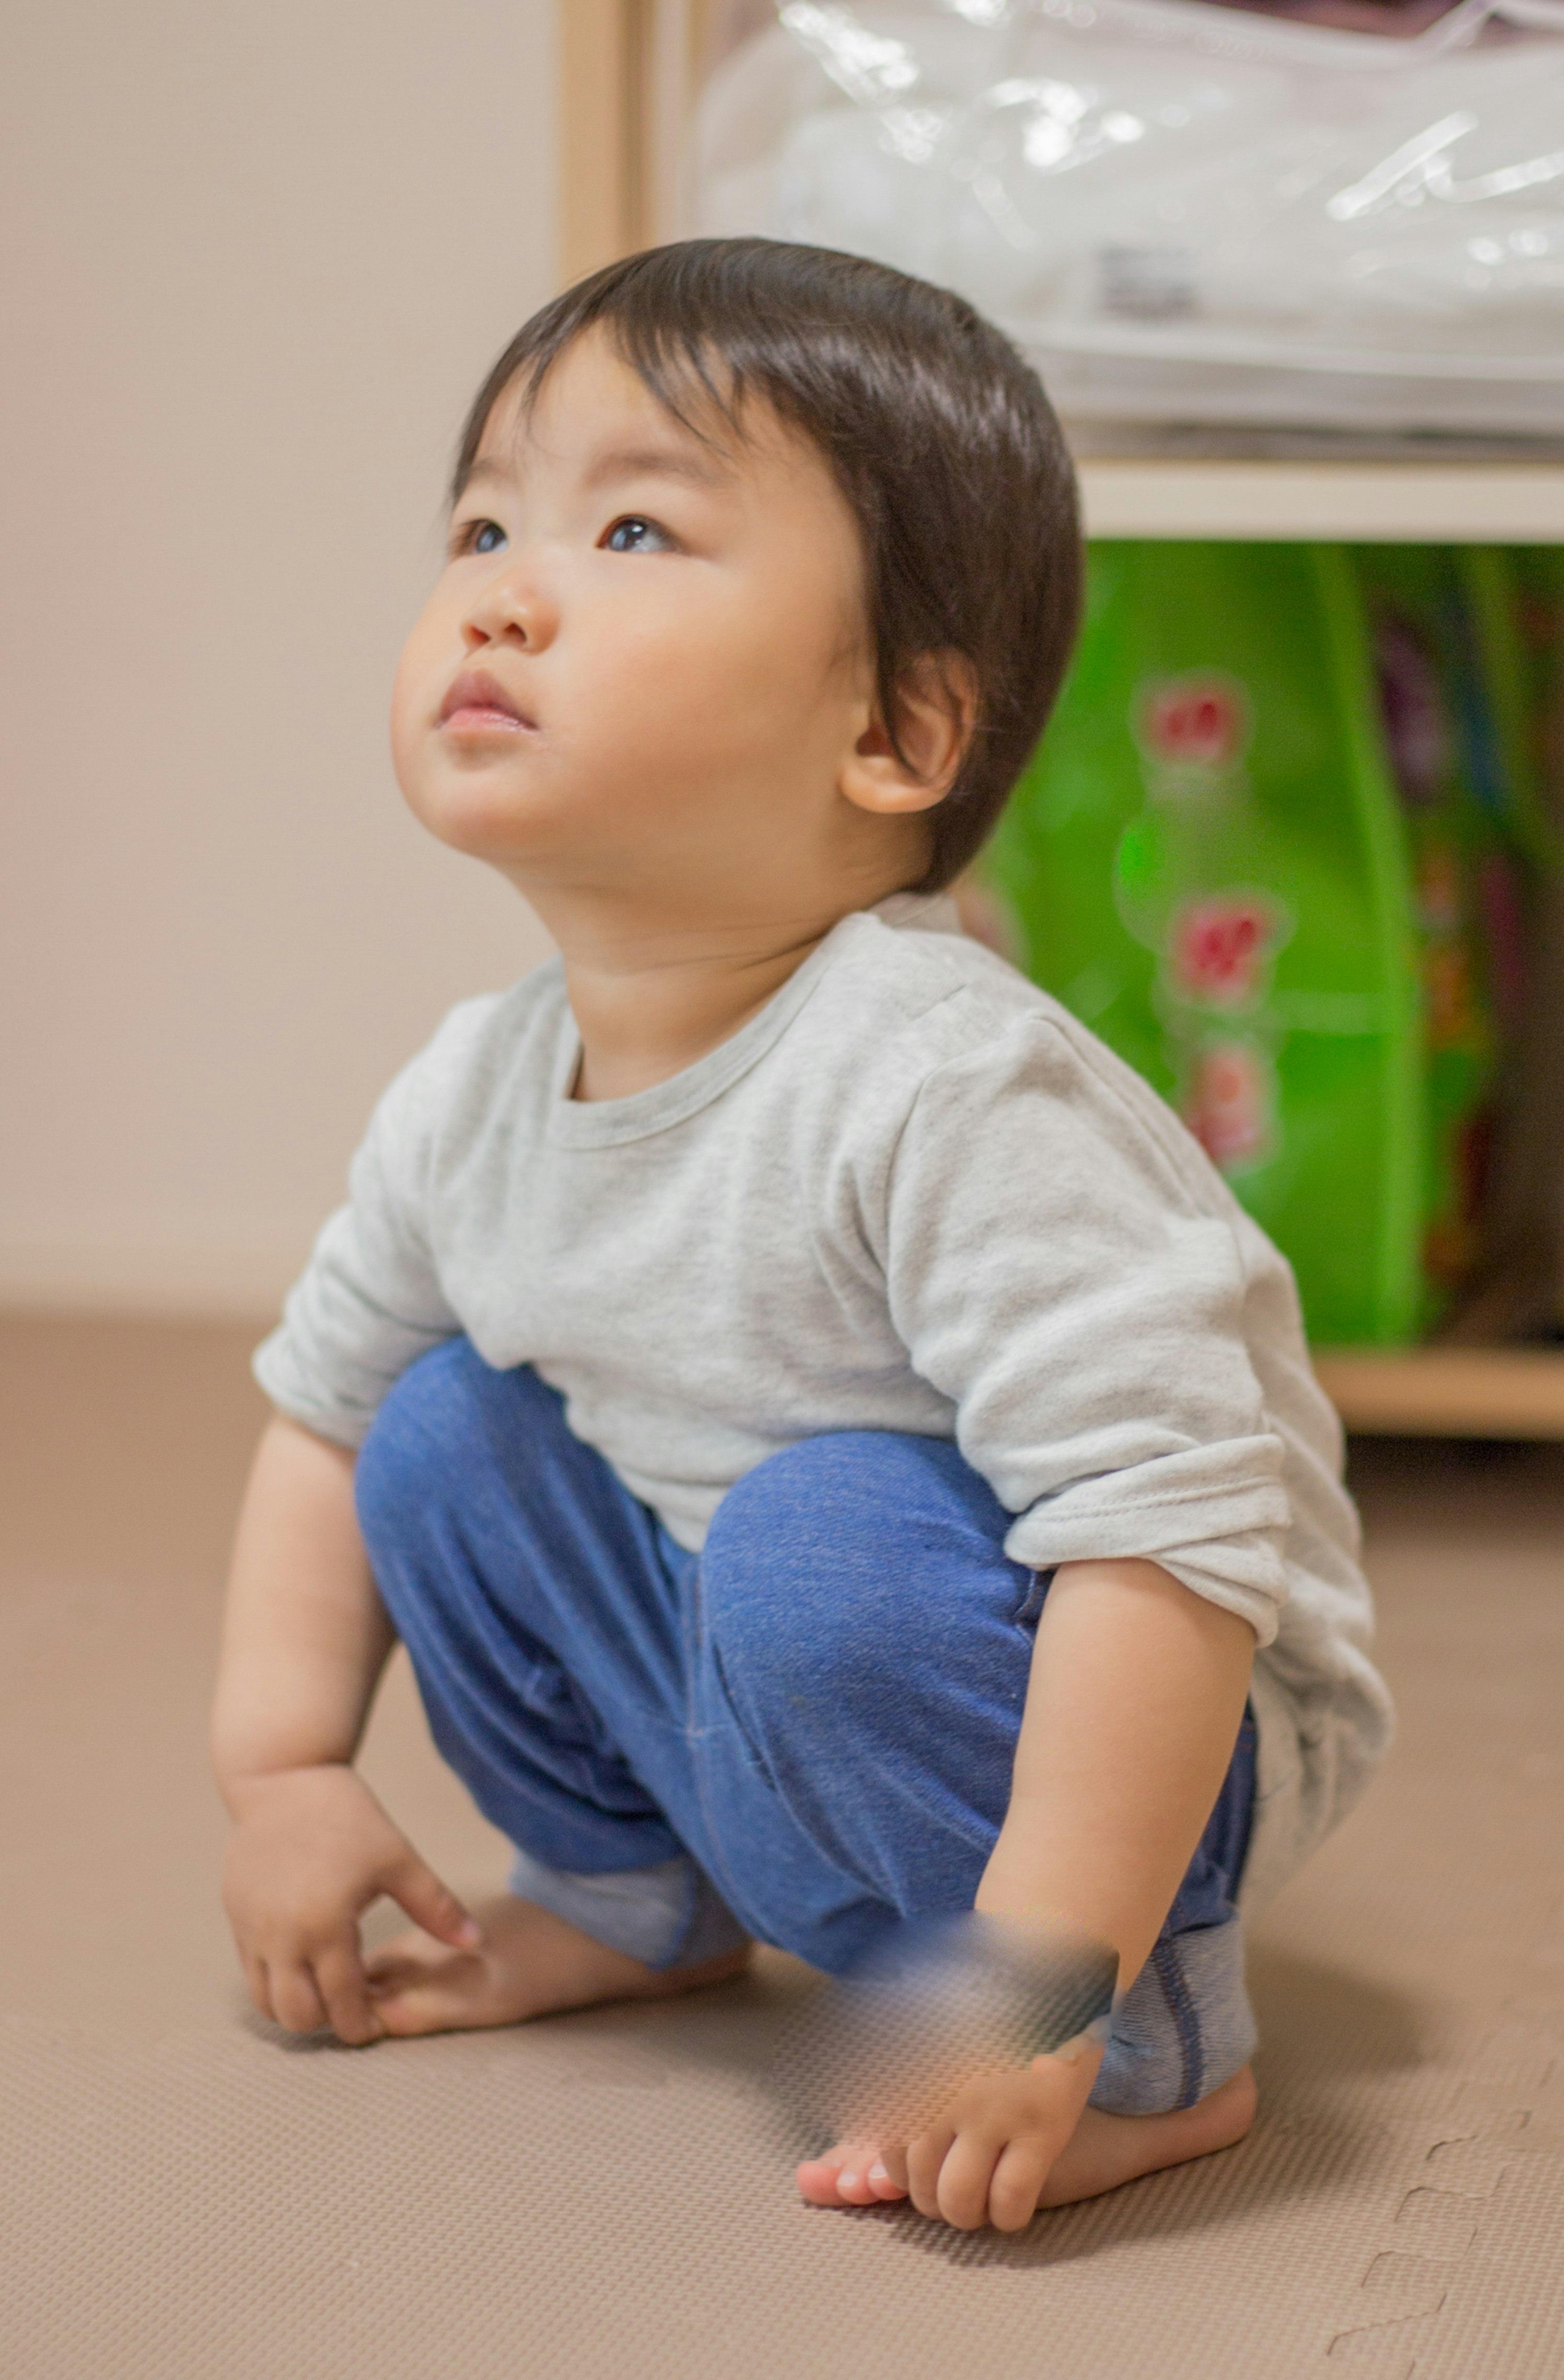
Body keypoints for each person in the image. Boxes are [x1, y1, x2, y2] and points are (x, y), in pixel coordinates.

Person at [211, 238, 1389, 2234]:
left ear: (899, 737)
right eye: (487, 517)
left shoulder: (942, 1085)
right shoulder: (470, 1089)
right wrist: (281, 1772)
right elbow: (320, 1425)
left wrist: (1037, 1975)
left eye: (636, 526)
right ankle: (636, 1897)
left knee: (822, 1527)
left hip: (1148, 1729)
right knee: (436, 1422)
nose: (500, 586)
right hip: (749, 1655)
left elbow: (1170, 1542)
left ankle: (1162, 2044)